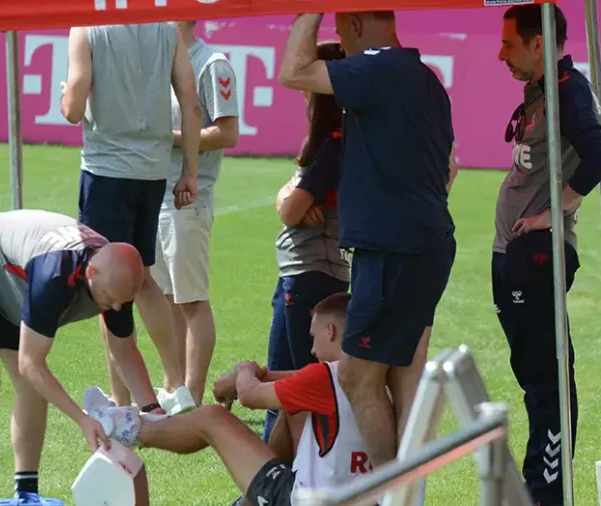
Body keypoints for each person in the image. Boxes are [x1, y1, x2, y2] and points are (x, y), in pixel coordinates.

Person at [278, 12, 458, 472]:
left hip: (392, 247)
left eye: (340, 26)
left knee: (359, 376)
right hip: (423, 241)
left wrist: (308, 10)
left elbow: (295, 70)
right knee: (407, 373)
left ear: (358, 22)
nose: (337, 37)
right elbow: (451, 167)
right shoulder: (425, 78)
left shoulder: (378, 67)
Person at [85, 293, 379, 506]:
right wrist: (248, 377)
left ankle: (125, 427)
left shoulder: (322, 376)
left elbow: (251, 395)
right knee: (294, 408)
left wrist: (244, 372)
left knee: (212, 417)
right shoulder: (377, 373)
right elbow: (290, 381)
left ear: (331, 332)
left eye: (314, 337)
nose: (313, 349)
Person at [0, 209, 162, 502]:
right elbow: (30, 363)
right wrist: (82, 419)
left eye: (122, 302)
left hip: (6, 280)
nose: (115, 309)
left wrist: (152, 410)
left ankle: (26, 496)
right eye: (110, 300)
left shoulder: (117, 282)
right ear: (90, 273)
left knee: (32, 390)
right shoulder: (54, 275)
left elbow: (124, 349)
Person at [494, 4, 601, 506]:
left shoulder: (567, 87)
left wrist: (553, 211)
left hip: (537, 257)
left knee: (548, 376)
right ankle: (537, 487)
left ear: (539, 42)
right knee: (533, 375)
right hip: (516, 257)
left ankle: (550, 497)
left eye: (509, 44)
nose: (501, 54)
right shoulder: (542, 92)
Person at [60, 22, 202, 413]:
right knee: (143, 277)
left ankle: (133, 400)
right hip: (152, 171)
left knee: (108, 285)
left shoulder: (87, 28)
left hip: (106, 170)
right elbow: (190, 103)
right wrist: (189, 170)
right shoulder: (167, 29)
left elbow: (73, 108)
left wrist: (66, 98)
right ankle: (170, 383)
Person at [151, 20, 240, 415]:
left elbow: (227, 133)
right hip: (156, 194)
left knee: (191, 300)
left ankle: (192, 395)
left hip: (188, 197)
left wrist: (166, 135)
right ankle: (174, 387)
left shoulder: (211, 63)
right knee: (169, 297)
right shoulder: (158, 61)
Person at [262, 40, 350, 444]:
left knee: (290, 383)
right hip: (312, 271)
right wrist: (289, 198)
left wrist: (290, 201)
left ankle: (277, 485)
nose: (301, 89)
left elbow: (289, 209)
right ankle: (277, 484)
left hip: (310, 271)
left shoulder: (335, 139)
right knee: (290, 381)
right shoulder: (332, 138)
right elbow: (288, 199)